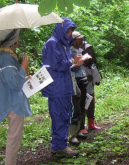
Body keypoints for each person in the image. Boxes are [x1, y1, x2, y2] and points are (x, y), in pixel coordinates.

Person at [41, 18, 84, 157]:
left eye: (71, 32)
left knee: (65, 115)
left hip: (64, 86)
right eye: (68, 31)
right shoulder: (52, 44)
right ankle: (59, 147)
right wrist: (72, 61)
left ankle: (60, 144)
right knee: (59, 116)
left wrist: (75, 64)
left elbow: (65, 66)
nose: (69, 34)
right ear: (61, 30)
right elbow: (56, 65)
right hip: (57, 87)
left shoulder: (62, 44)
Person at [0, 29, 32, 165]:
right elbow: (14, 83)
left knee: (14, 138)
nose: (19, 40)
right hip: (12, 104)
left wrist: (25, 77)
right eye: (17, 37)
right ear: (13, 41)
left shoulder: (7, 56)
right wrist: (23, 66)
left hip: (12, 101)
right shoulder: (6, 58)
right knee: (14, 138)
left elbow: (12, 79)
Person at [69, 31, 89, 145]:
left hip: (82, 78)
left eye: (81, 39)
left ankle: (80, 128)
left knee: (82, 105)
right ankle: (72, 134)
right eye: (79, 39)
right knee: (75, 107)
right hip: (75, 79)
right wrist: (77, 64)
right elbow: (71, 67)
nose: (81, 41)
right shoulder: (70, 51)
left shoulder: (80, 50)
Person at [83, 41, 102, 131]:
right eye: (87, 49)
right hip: (82, 88)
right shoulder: (80, 62)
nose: (89, 51)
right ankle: (81, 127)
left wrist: (96, 80)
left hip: (90, 87)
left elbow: (95, 73)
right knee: (82, 107)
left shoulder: (90, 62)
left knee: (91, 106)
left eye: (89, 49)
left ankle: (91, 124)